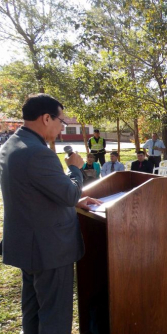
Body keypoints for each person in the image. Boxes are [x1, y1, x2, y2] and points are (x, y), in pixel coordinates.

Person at [0, 94, 101, 334]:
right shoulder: (38, 153)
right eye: (61, 122)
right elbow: (67, 194)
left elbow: (35, 193)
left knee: (33, 310)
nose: (62, 128)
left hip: (26, 245)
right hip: (49, 249)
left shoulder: (10, 145)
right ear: (47, 118)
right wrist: (75, 169)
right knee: (54, 315)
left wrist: (76, 198)